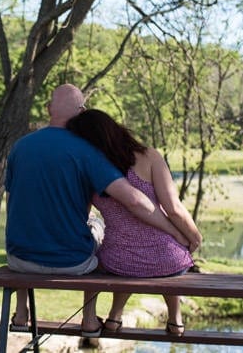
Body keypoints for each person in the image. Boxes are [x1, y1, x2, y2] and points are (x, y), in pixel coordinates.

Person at [5, 84, 190, 337]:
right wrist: (173, 230)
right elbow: (135, 201)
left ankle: (21, 312)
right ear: (82, 111)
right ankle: (89, 320)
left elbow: (13, 199)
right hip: (72, 263)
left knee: (30, 228)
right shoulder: (86, 151)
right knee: (96, 230)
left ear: (49, 109)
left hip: (19, 260)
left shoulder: (20, 147)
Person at [66, 108, 203, 336]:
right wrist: (195, 237)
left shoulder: (89, 170)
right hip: (167, 259)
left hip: (119, 261)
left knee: (119, 255)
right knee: (169, 255)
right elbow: (174, 209)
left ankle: (114, 316)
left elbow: (82, 214)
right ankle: (175, 319)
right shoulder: (149, 156)